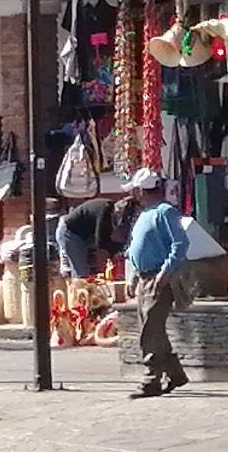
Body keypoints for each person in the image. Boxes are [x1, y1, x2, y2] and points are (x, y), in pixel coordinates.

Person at [124, 168, 191, 398]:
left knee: (150, 329)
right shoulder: (144, 215)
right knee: (153, 329)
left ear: (142, 191)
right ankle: (175, 373)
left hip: (158, 279)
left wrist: (166, 271)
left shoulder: (165, 212)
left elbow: (180, 243)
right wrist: (133, 276)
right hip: (144, 277)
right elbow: (135, 250)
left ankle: (152, 378)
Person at [56, 196, 134, 280]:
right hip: (69, 233)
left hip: (86, 235)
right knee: (82, 274)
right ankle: (79, 289)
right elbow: (101, 250)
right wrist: (105, 273)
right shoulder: (104, 213)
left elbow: (116, 243)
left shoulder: (119, 219)